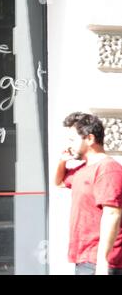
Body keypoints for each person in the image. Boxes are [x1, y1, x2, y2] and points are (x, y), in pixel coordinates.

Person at [55, 112, 122, 275]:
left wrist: (102, 261)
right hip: (85, 258)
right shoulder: (83, 169)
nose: (69, 144)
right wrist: (63, 160)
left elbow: (112, 214)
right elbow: (60, 182)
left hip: (101, 262)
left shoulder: (107, 169)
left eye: (72, 139)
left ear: (90, 139)